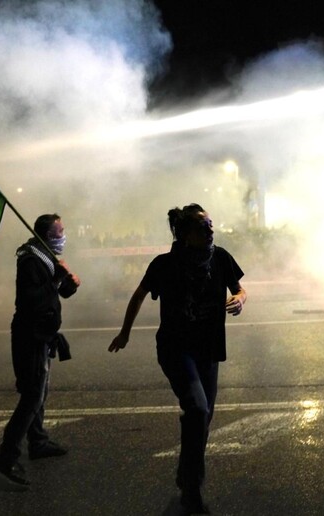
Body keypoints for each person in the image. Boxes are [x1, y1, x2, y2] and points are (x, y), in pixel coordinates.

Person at [109, 204, 246, 515]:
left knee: (203, 419)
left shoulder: (220, 257)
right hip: (176, 349)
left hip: (209, 349)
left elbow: (240, 289)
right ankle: (191, 490)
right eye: (202, 226)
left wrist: (239, 299)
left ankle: (186, 476)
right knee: (197, 408)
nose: (210, 230)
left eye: (211, 224)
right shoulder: (165, 264)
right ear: (185, 235)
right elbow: (139, 295)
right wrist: (125, 333)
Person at [0, 214, 81, 486]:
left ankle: (38, 441)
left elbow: (59, 293)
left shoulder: (46, 257)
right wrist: (57, 279)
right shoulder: (30, 260)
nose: (63, 236)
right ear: (46, 235)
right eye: (59, 231)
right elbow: (31, 299)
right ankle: (7, 457)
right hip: (30, 337)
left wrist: (69, 283)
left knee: (40, 392)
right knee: (32, 396)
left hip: (43, 335)